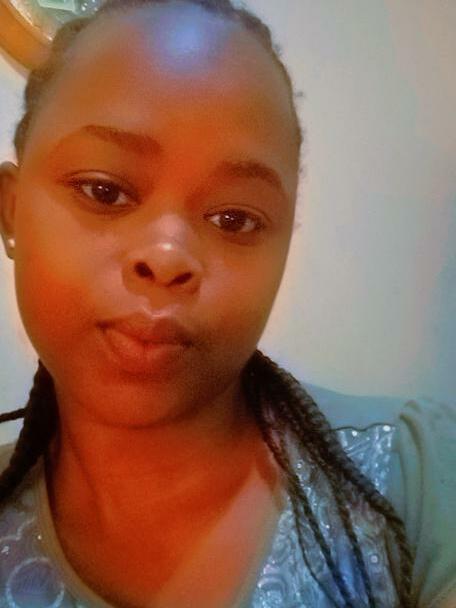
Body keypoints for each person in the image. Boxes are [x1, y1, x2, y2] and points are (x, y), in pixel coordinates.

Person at [0, 1, 454, 607]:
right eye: (104, 191)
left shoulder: (412, 478)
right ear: (11, 210)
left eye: (234, 219)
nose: (167, 256)